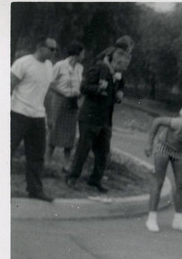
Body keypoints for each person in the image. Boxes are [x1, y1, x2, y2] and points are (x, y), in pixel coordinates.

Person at [66, 48, 131, 192]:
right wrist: (98, 89)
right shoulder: (99, 67)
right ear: (118, 61)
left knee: (103, 152)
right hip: (90, 117)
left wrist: (119, 94)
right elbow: (84, 87)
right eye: (125, 64)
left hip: (105, 120)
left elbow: (117, 89)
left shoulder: (117, 75)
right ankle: (72, 177)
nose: (126, 68)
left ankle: (95, 180)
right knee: (83, 149)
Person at [11, 36, 57, 202]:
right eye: (51, 49)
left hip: (38, 117)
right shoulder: (23, 63)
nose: (54, 52)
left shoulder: (49, 66)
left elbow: (47, 94)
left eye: (55, 50)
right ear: (40, 46)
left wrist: (50, 116)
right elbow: (9, 85)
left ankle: (35, 190)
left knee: (37, 156)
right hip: (18, 113)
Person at [46, 41, 85, 172]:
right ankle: (47, 161)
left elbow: (79, 85)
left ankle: (66, 164)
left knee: (70, 134)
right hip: (60, 100)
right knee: (55, 130)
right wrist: (63, 93)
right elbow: (50, 83)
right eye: (82, 53)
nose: (83, 56)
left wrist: (78, 94)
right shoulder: (60, 65)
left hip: (73, 103)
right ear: (76, 53)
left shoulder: (80, 68)